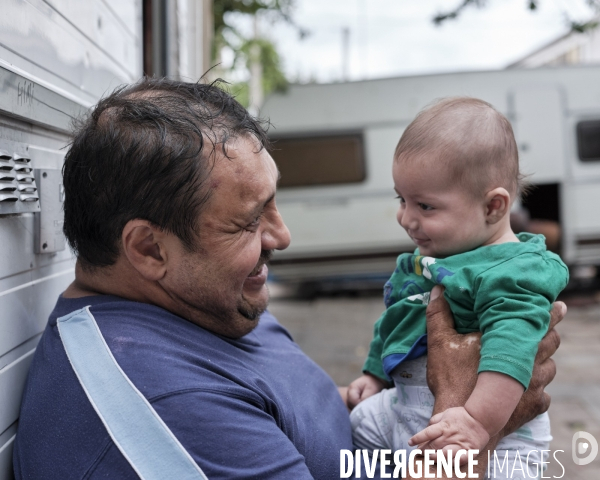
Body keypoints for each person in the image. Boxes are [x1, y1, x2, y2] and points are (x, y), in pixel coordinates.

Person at [13, 80, 563, 479]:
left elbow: (283, 412)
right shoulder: (166, 403)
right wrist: (468, 421)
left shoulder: (201, 301)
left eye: (273, 205)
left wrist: (372, 396)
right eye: (249, 221)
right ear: (149, 247)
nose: (282, 237)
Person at [348, 97, 569, 477]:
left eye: (425, 207)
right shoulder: (431, 259)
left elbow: (511, 353)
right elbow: (396, 320)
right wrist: (373, 375)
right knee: (359, 424)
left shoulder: (512, 272)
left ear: (493, 207)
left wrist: (478, 423)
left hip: (491, 432)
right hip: (405, 405)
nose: (405, 218)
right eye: (402, 200)